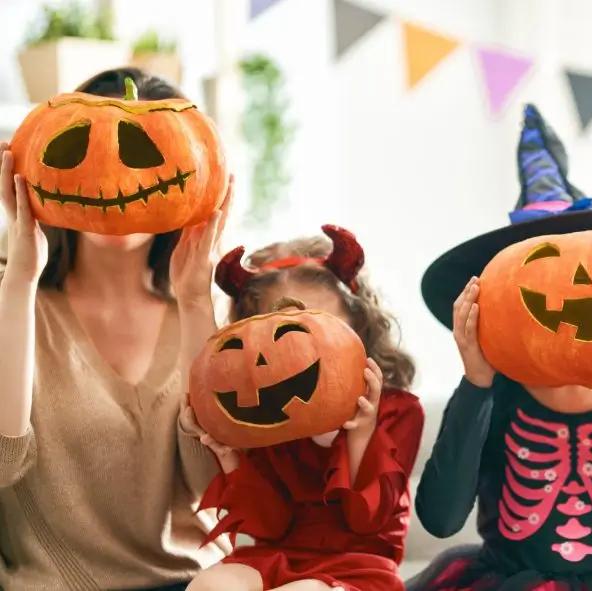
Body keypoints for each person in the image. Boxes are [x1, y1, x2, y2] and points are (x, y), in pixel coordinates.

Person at [407, 105, 592, 591]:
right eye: (541, 263)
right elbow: (441, 518)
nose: (577, 284)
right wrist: (477, 383)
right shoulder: (495, 398)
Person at [0, 67, 231, 591]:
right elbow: (2, 461)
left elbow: (215, 487)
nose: (115, 179)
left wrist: (196, 300)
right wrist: (18, 282)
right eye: (84, 150)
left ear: (194, 172)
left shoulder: (207, 312)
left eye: (145, 155)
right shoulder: (15, 300)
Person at [185, 226, 424, 591]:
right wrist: (230, 454)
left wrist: (360, 433)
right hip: (277, 556)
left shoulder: (398, 410)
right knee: (211, 585)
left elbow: (368, 522)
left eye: (319, 327)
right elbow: (270, 525)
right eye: (283, 337)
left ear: (357, 323)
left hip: (358, 567)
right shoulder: (270, 417)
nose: (305, 352)